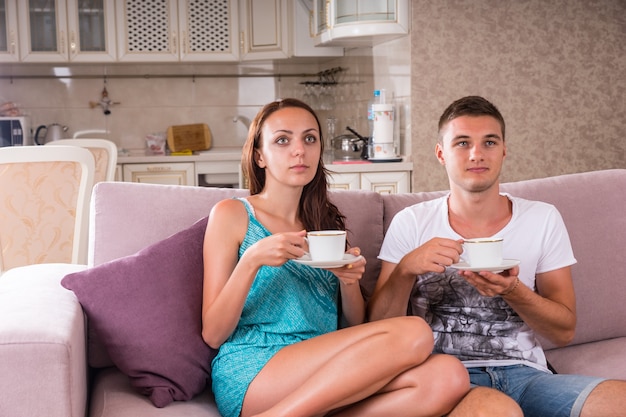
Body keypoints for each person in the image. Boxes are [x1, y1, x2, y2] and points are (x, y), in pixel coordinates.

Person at [201, 98, 469, 417]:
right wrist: (252, 260)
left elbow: (351, 326)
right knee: (415, 332)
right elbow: (213, 334)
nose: (299, 150)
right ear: (259, 155)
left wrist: (348, 283)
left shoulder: (325, 224)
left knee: (448, 376)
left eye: (309, 138)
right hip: (258, 366)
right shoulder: (233, 214)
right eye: (282, 140)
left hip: (331, 371)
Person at [368, 95, 626, 417]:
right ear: (440, 154)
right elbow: (377, 329)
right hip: (448, 377)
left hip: (526, 375)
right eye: (462, 143)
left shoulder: (542, 218)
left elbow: (564, 331)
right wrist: (405, 270)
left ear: (504, 150)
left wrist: (512, 291)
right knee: (497, 411)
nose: (477, 154)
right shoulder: (412, 222)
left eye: (489, 142)